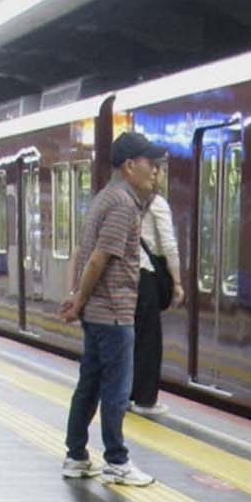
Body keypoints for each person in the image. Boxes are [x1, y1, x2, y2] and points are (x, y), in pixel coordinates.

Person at [60, 131, 161, 484]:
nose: (155, 170)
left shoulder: (105, 197)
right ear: (130, 165)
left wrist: (79, 298)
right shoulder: (122, 205)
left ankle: (76, 456)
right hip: (114, 312)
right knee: (116, 391)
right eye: (150, 163)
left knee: (88, 385)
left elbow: (85, 253)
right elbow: (99, 259)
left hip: (98, 312)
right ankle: (117, 461)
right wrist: (78, 301)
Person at [131, 175, 184, 413]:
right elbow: (168, 245)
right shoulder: (157, 203)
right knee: (149, 341)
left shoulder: (126, 201)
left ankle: (126, 394)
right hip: (147, 277)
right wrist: (177, 282)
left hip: (127, 276)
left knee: (130, 338)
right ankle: (145, 400)